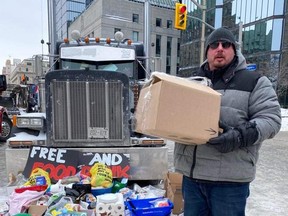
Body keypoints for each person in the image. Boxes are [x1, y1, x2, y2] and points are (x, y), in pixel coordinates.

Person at [174, 27, 282, 216]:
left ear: (235, 50)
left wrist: (239, 136)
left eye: (226, 44)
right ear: (207, 51)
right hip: (192, 178)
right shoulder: (192, 82)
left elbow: (271, 119)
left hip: (229, 183)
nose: (220, 48)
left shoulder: (255, 81)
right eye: (214, 45)